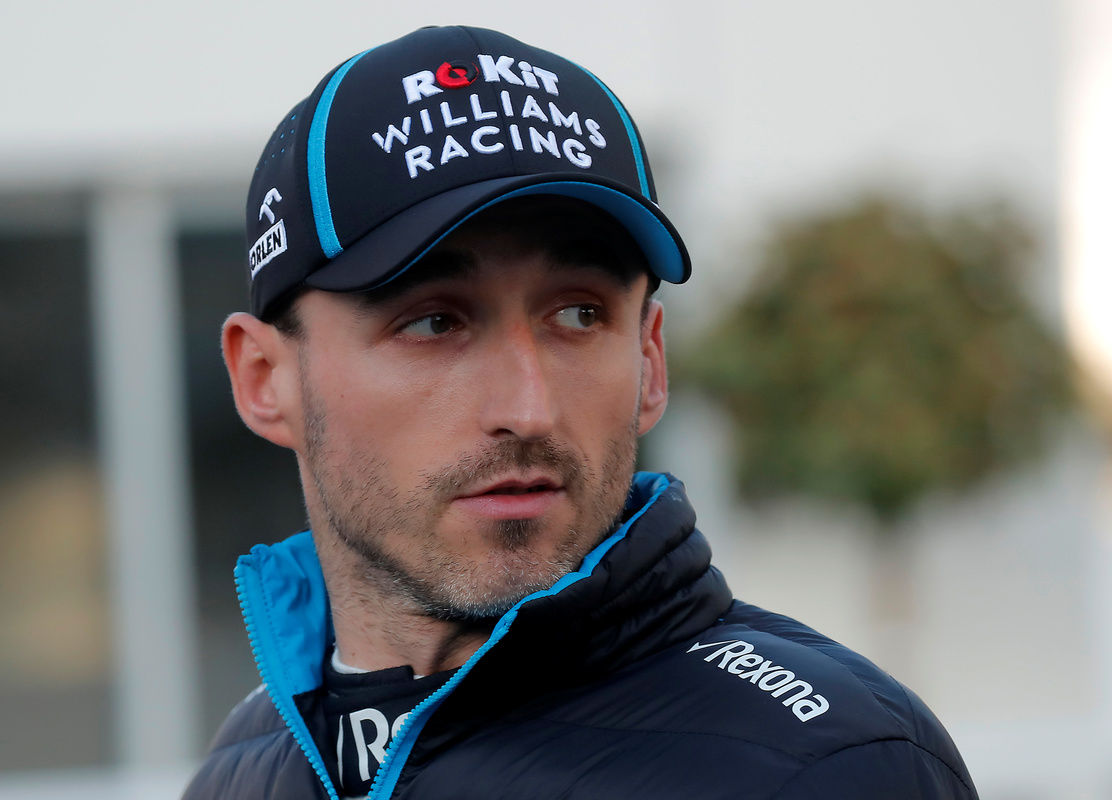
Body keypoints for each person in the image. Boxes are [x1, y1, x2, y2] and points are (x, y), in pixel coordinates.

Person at [184, 25, 977, 800]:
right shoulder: (242, 772)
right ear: (265, 379)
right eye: (432, 322)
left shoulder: (824, 768)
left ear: (650, 361)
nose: (528, 409)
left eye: (579, 315)